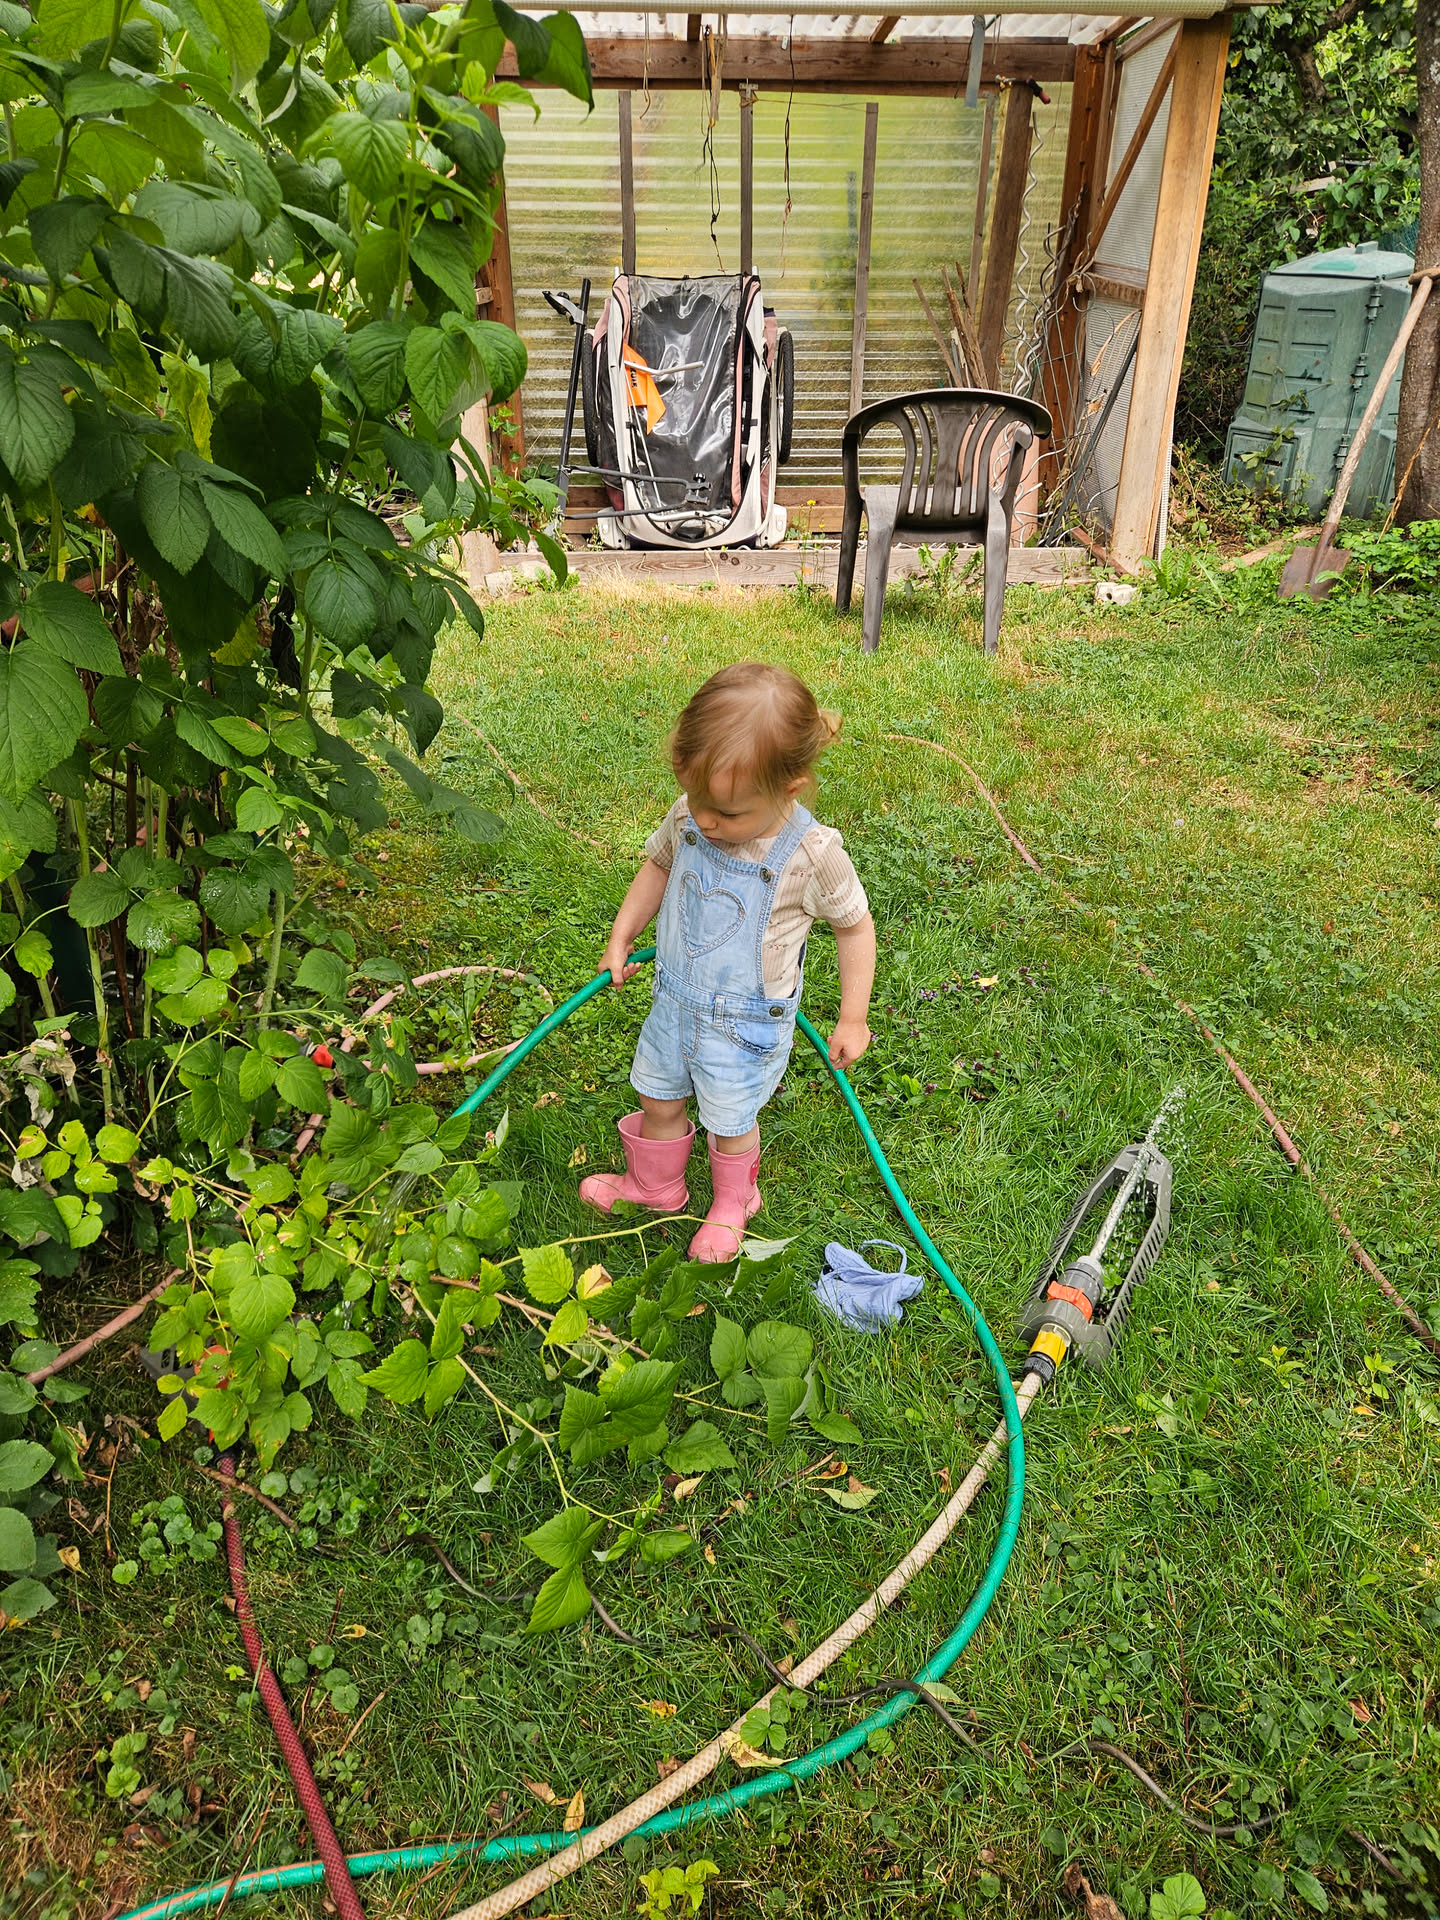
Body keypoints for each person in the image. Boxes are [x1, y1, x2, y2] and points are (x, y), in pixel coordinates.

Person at [580, 662, 876, 1262]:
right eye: (698, 800)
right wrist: (622, 934)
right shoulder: (689, 817)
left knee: (730, 1119)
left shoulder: (811, 855)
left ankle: (733, 1202)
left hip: (744, 1027)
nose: (707, 821)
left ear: (789, 789)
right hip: (674, 1003)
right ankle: (655, 1186)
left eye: (730, 813)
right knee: (657, 1097)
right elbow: (658, 867)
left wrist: (853, 1017)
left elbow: (854, 926)